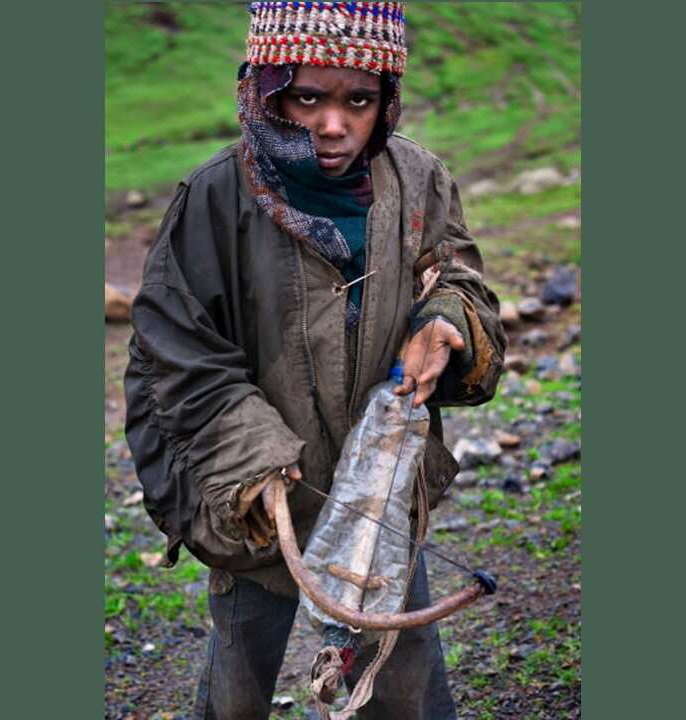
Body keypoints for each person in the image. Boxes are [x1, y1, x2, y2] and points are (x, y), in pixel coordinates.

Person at [123, 3, 505, 717]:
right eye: (307, 98)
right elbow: (172, 350)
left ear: (384, 99)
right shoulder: (215, 196)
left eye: (358, 100)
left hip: (380, 489)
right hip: (263, 505)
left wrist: (446, 325)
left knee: (407, 682)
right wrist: (251, 458)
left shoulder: (416, 181)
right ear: (267, 93)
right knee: (238, 685)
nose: (333, 126)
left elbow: (460, 279)